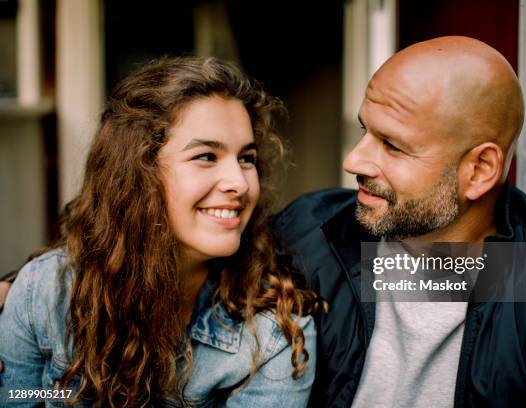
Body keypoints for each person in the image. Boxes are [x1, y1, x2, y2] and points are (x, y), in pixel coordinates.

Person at [273, 36, 526, 407]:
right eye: (364, 131)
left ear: (479, 170)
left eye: (392, 145)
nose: (354, 161)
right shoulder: (305, 231)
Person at [0, 57, 319, 407]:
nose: (239, 183)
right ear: (139, 174)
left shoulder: (277, 331)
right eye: (206, 157)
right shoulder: (42, 294)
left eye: (247, 158)